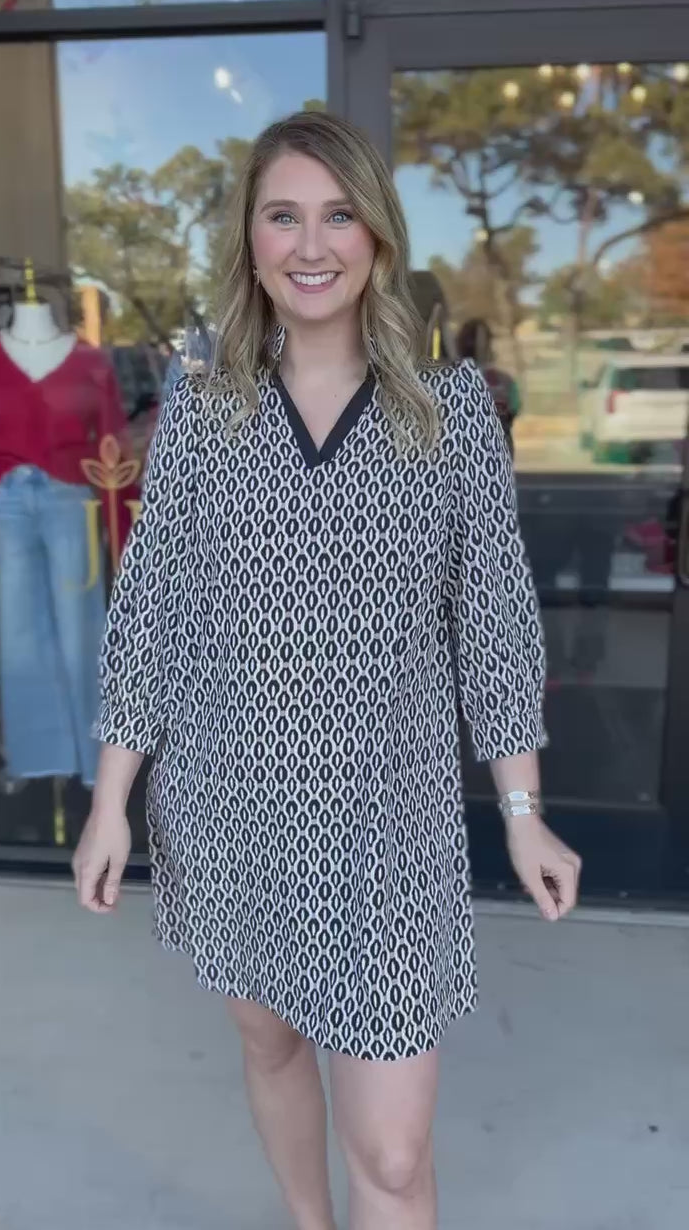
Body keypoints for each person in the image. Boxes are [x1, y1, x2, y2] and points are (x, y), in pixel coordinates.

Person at [73, 110, 581, 1230]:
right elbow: (151, 608)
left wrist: (524, 813)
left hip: (387, 829)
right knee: (270, 1042)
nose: (312, 245)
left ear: (378, 237)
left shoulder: (451, 413)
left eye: (339, 215)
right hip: (229, 809)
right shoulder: (203, 413)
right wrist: (110, 801)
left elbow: (494, 620)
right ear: (251, 243)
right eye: (284, 216)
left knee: (393, 1156)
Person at [456, 317, 522, 456]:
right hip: (499, 452)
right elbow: (514, 409)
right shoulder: (505, 381)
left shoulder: (450, 382)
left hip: (463, 453)